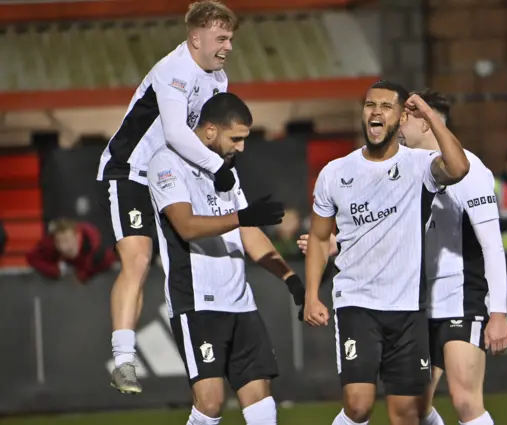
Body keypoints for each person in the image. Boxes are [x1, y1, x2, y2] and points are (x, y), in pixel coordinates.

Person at [297, 89, 507, 425]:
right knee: (383, 406)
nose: (380, 115)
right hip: (394, 300)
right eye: (371, 105)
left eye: (397, 111)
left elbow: (490, 240)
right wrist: (336, 251)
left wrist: (498, 310)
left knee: (454, 402)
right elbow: (377, 226)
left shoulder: (435, 168)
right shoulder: (356, 171)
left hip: (450, 299)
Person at [96, 0, 238, 393]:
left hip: (170, 175)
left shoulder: (218, 78)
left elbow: (204, 135)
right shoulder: (174, 69)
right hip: (132, 171)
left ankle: (210, 354)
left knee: (192, 254)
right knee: (139, 259)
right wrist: (217, 167)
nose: (228, 46)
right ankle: (124, 360)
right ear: (196, 37)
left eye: (230, 38)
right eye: (221, 37)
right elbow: (176, 133)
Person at [148, 92, 305, 425]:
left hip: (240, 303)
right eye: (236, 138)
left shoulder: (225, 172)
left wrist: (289, 278)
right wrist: (242, 217)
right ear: (209, 131)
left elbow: (248, 233)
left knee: (261, 401)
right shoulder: (167, 163)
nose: (241, 147)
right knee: (210, 404)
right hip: (198, 302)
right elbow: (186, 225)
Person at [26, 218, 116, 284]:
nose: (63, 246)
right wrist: (55, 270)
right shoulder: (50, 245)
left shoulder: (95, 249)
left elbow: (109, 259)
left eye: (67, 240)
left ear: (77, 237)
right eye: (59, 241)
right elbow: (31, 257)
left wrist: (84, 273)